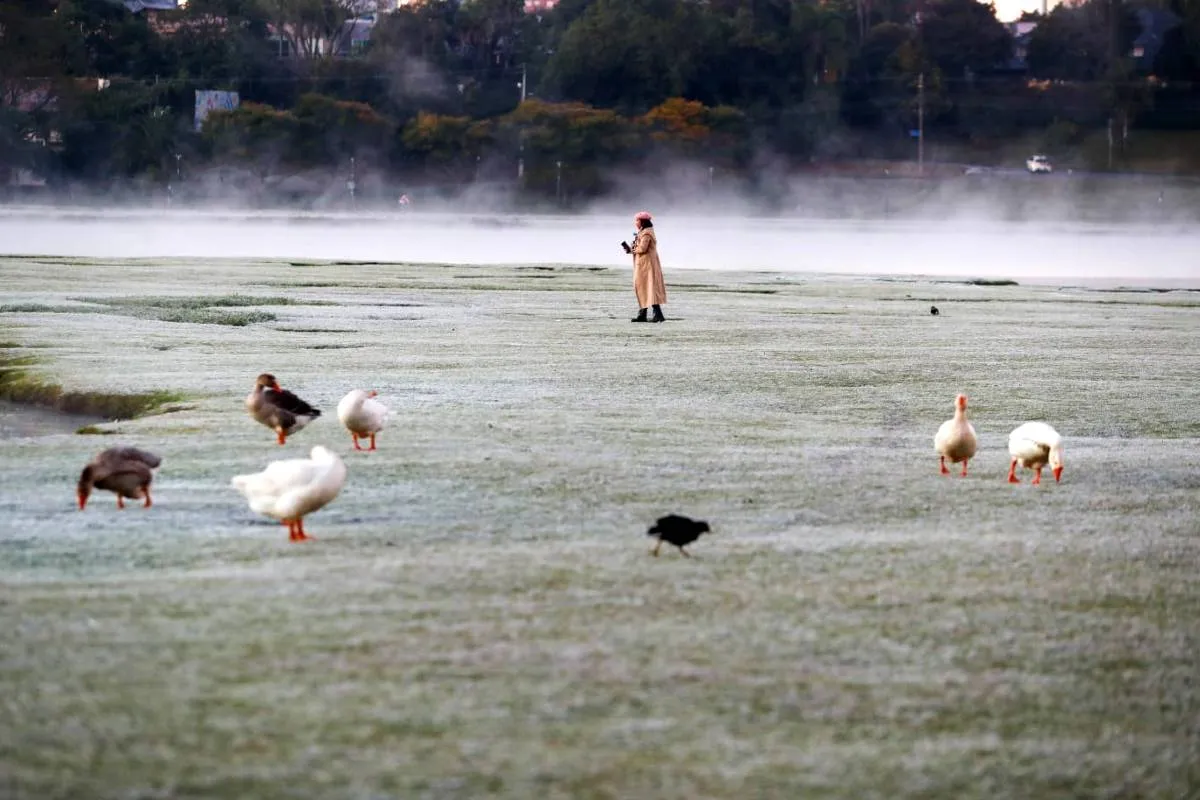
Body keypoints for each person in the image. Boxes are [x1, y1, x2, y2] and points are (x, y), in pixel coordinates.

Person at [620, 211, 667, 323]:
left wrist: (632, 249)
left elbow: (643, 248)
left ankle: (655, 315)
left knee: (647, 287)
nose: (636, 223)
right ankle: (646, 314)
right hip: (644, 264)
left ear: (642, 221)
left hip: (647, 265)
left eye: (637, 220)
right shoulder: (644, 232)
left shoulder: (646, 233)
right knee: (644, 287)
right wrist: (632, 249)